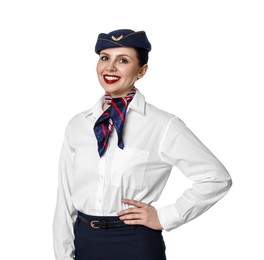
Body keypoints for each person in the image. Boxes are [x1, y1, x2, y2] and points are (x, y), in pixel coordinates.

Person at [52, 29, 232, 260]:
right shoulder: (78, 125)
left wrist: (167, 216)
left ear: (141, 70)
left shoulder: (163, 125)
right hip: (85, 240)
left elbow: (216, 177)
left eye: (123, 60)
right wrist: (63, 254)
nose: (110, 67)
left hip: (135, 242)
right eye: (105, 58)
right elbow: (65, 197)